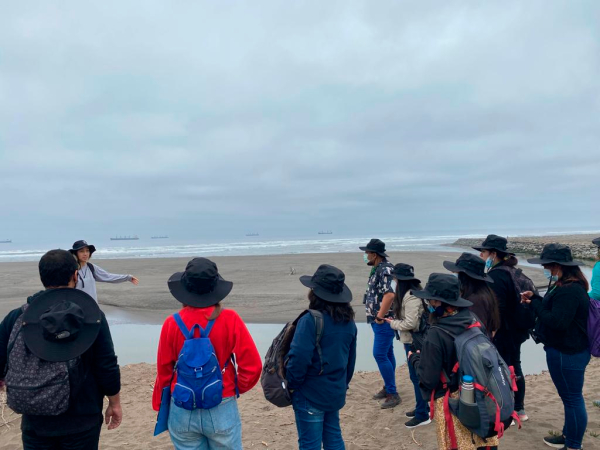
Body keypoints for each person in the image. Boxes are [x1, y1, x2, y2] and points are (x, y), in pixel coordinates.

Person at [0, 249, 122, 450]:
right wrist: (114, 403)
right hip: (83, 419)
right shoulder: (91, 316)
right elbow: (106, 364)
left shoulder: (17, 317)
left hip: (36, 418)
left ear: (42, 277)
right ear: (75, 275)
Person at [152, 257, 262, 449]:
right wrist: (234, 388)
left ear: (185, 289)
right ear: (215, 288)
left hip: (183, 407)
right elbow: (252, 366)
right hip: (221, 402)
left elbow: (164, 371)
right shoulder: (230, 319)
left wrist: (160, 405)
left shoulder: (172, 322)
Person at [408, 273, 500, 450]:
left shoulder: (436, 333)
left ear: (440, 302)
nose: (429, 305)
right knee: (484, 444)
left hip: (452, 402)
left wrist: (415, 359)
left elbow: (429, 379)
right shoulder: (474, 320)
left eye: (431, 301)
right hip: (480, 394)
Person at [522, 244, 590, 450]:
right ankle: (568, 436)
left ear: (556, 265)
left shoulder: (569, 290)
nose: (544, 267)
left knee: (572, 399)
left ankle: (573, 445)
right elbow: (555, 310)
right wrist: (536, 298)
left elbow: (557, 321)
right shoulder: (567, 285)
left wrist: (534, 304)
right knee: (570, 398)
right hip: (569, 349)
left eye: (546, 264)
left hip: (567, 351)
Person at [286, 264, 357, 450]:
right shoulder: (349, 322)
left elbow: (298, 359)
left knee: (310, 444)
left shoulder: (310, 320)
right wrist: (341, 384)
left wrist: (293, 385)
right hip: (335, 391)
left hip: (310, 392)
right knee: (334, 438)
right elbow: (350, 362)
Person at [473, 234, 528, 421]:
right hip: (516, 329)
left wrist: (492, 331)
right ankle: (519, 408)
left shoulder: (497, 275)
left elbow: (498, 307)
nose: (481, 256)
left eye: (483, 252)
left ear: (493, 254)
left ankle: (510, 410)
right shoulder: (511, 270)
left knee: (504, 369)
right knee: (515, 366)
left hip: (504, 331)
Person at [383, 263, 431, 428]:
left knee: (417, 378)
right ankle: (423, 407)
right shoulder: (412, 293)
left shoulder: (410, 296)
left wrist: (393, 323)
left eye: (395, 278)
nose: (393, 281)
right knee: (416, 377)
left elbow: (410, 323)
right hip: (413, 340)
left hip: (414, 341)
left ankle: (423, 414)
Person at [360, 238, 400, 409]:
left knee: (379, 354)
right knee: (387, 353)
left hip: (383, 320)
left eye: (367, 252)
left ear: (374, 254)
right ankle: (388, 386)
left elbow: (390, 295)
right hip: (378, 320)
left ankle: (392, 393)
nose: (365, 255)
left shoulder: (386, 269)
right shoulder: (378, 268)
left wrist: (379, 317)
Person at [443, 252, 501, 338]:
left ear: (464, 276)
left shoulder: (475, 300)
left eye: (456, 272)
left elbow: (475, 331)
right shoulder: (483, 293)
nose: (453, 274)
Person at [69, 240, 139, 302]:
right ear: (75, 254)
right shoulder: (71, 269)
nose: (85, 254)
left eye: (87, 251)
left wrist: (128, 277)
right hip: (77, 309)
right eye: (81, 251)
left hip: (92, 308)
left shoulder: (91, 267)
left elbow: (108, 277)